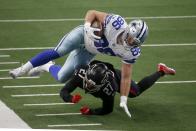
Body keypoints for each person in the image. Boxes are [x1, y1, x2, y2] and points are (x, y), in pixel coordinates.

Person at [9, 10, 149, 112]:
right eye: (132, 39)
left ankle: (47, 66)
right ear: (129, 31)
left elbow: (125, 76)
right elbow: (92, 12)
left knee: (62, 77)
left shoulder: (131, 51)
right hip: (83, 35)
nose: (132, 44)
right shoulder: (116, 23)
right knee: (58, 51)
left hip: (89, 51)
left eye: (136, 42)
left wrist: (124, 98)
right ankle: (22, 69)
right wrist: (88, 25)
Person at [60, 60, 176, 115]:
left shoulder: (109, 88)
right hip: (103, 71)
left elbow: (108, 109)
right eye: (88, 82)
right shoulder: (81, 75)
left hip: (117, 77)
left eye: (92, 85)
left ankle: (161, 71)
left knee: (135, 92)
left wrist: (91, 111)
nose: (88, 86)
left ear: (102, 84)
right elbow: (64, 91)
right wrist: (70, 98)